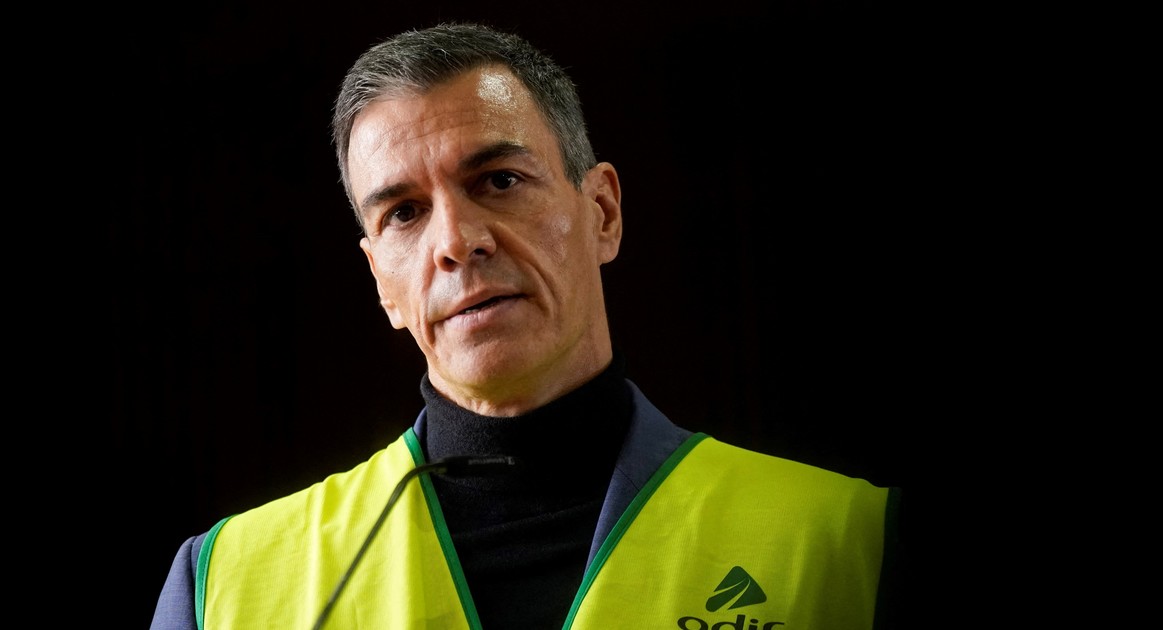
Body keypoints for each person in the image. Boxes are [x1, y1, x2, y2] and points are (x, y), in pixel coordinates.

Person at [149, 21, 901, 630]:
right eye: (404, 213)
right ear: (381, 281)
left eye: (499, 181)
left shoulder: (848, 542)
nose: (455, 241)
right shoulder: (224, 584)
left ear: (602, 212)